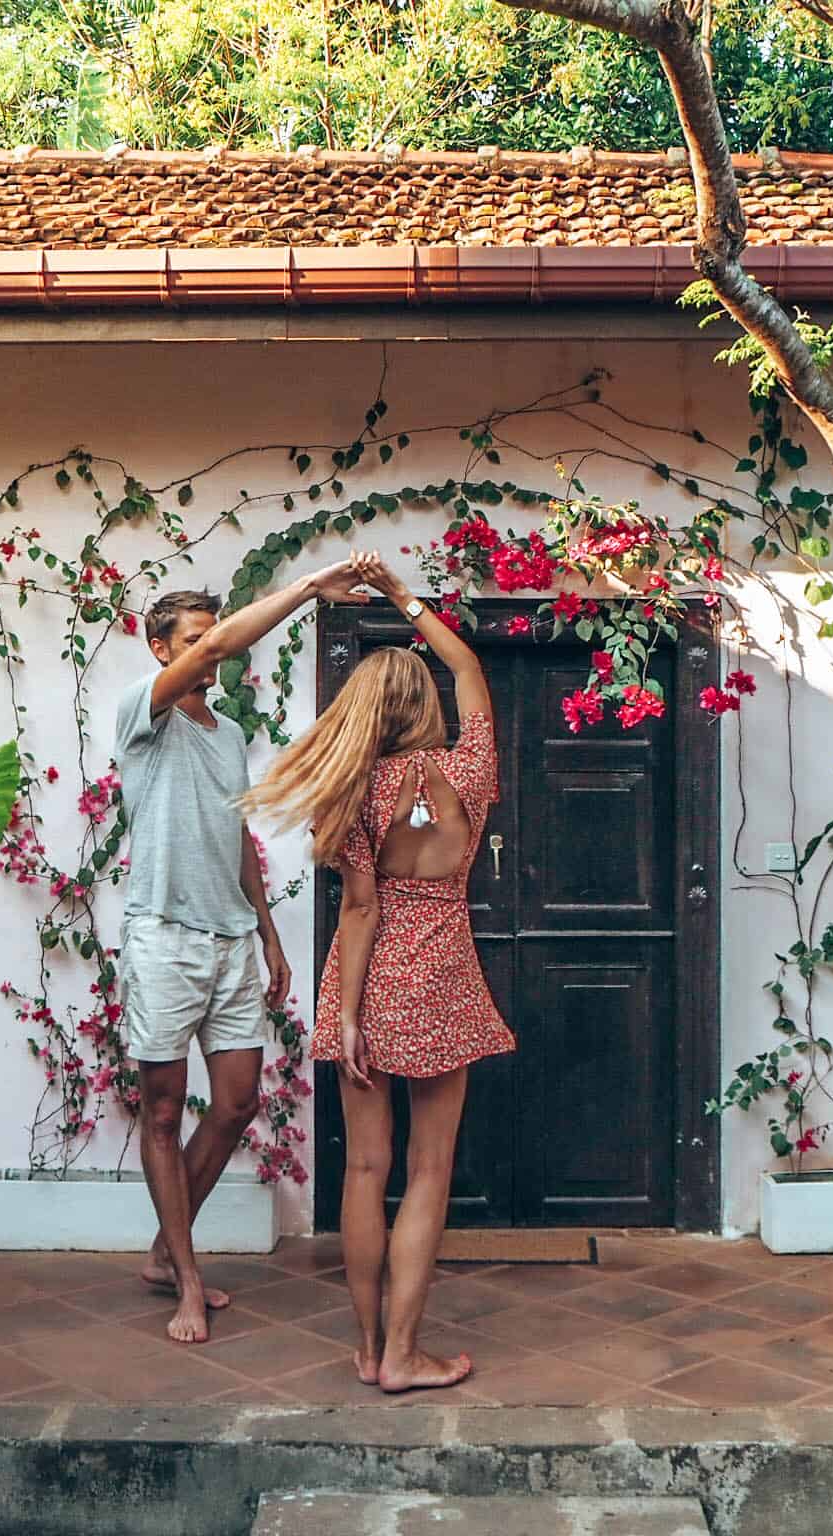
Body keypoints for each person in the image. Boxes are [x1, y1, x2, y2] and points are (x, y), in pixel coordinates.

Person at [243, 552, 515, 1393]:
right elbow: (468, 662)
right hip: (441, 975)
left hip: (366, 982)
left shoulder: (353, 788)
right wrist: (404, 596)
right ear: (423, 704)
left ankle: (368, 1350)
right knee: (428, 1169)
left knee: (366, 1169)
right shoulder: (467, 772)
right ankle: (405, 1352)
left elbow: (360, 910)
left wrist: (350, 1013)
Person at [116, 560, 371, 1345]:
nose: (210, 655)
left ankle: (167, 1251)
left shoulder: (227, 735)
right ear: (161, 650)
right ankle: (186, 1280)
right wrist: (305, 591)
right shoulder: (143, 714)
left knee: (235, 1105)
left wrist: (266, 931)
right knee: (162, 1114)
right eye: (194, 642)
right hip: (163, 938)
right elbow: (209, 652)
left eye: (212, 642)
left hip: (230, 942)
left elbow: (238, 842)